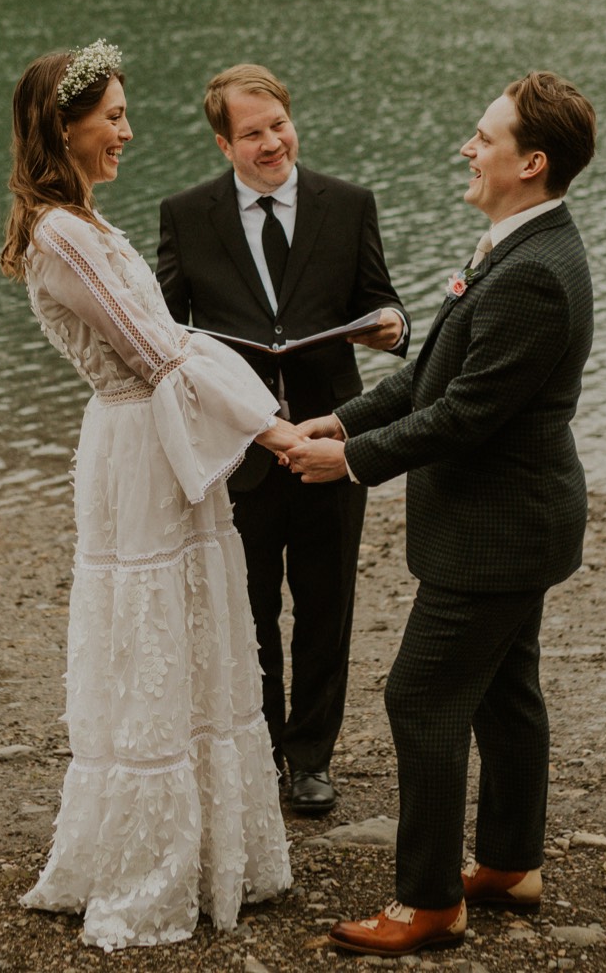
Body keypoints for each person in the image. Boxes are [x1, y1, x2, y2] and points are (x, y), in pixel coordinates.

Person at [285, 71, 598, 957]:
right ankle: (507, 863)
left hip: (498, 532)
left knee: (420, 696)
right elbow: (430, 379)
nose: (468, 147)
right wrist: (342, 419)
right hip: (509, 523)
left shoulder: (535, 275)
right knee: (505, 690)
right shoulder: (512, 245)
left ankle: (429, 905)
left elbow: (466, 417)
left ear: (531, 163)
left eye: (485, 137)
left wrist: (347, 464)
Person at [0, 41, 296, 951]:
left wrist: (257, 409)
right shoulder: (60, 234)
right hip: (137, 442)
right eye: (113, 116)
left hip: (161, 433)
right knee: (151, 635)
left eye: (126, 113)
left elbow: (173, 340)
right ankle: (149, 864)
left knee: (196, 627)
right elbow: (157, 350)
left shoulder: (88, 222)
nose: (127, 130)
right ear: (64, 125)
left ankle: (219, 847)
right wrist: (273, 429)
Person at [156, 65, 407, 816]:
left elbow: (380, 300)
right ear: (223, 141)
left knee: (327, 608)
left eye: (280, 125)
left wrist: (392, 326)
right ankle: (262, 749)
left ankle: (311, 759)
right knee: (251, 610)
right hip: (241, 453)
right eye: (254, 133)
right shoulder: (186, 214)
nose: (273, 143)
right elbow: (165, 331)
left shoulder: (349, 204)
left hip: (332, 441)